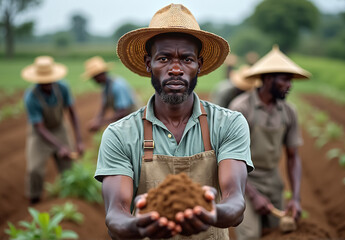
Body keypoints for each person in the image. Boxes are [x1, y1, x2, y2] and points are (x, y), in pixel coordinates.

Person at [94, 4, 253, 240]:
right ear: (149, 64)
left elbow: (235, 201)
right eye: (164, 58)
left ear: (199, 64)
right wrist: (137, 226)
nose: (176, 69)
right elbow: (115, 214)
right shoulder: (120, 134)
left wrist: (211, 213)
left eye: (186, 59)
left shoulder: (228, 124)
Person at [229, 45, 311, 240]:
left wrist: (296, 199)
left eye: (290, 79)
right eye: (285, 79)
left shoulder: (289, 111)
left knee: (278, 232)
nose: (290, 85)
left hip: (273, 181)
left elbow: (293, 157)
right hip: (244, 180)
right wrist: (254, 195)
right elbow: (232, 160)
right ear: (267, 79)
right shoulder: (242, 108)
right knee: (250, 235)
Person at [22, 56, 85, 204]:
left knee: (68, 167)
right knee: (34, 170)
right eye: (43, 81)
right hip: (39, 134)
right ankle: (34, 200)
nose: (47, 84)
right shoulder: (31, 97)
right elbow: (40, 127)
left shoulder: (62, 88)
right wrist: (60, 146)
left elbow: (72, 113)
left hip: (59, 128)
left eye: (49, 80)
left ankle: (69, 199)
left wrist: (79, 140)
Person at [82, 56, 137, 132]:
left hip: (135, 121)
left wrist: (101, 123)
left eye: (94, 77)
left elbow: (122, 112)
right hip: (126, 121)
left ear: (100, 75)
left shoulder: (118, 86)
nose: (93, 80)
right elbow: (104, 107)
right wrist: (96, 120)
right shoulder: (106, 87)